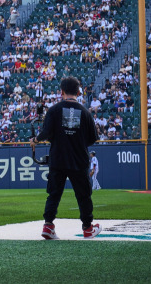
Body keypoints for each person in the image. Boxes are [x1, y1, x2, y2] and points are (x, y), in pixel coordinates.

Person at [31, 76, 102, 239]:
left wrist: (35, 140)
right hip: (79, 159)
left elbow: (46, 133)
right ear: (78, 91)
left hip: (58, 159)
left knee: (54, 194)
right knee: (83, 195)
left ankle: (48, 226)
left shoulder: (54, 110)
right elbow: (93, 138)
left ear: (61, 91)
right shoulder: (85, 112)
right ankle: (87, 227)